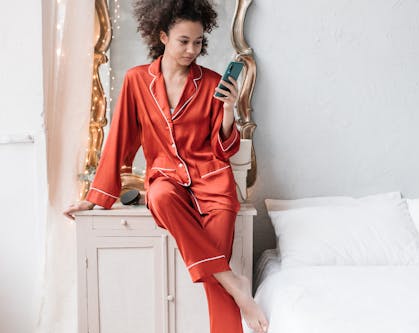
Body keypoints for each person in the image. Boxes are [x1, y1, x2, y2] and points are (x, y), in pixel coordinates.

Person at [63, 1, 269, 332]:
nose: (192, 50)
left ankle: (229, 294)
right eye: (183, 41)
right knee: (158, 196)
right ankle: (237, 285)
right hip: (167, 181)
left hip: (213, 184)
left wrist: (229, 109)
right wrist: (95, 197)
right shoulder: (136, 81)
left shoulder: (213, 82)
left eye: (198, 42)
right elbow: (119, 140)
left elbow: (224, 149)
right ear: (163, 37)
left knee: (212, 278)